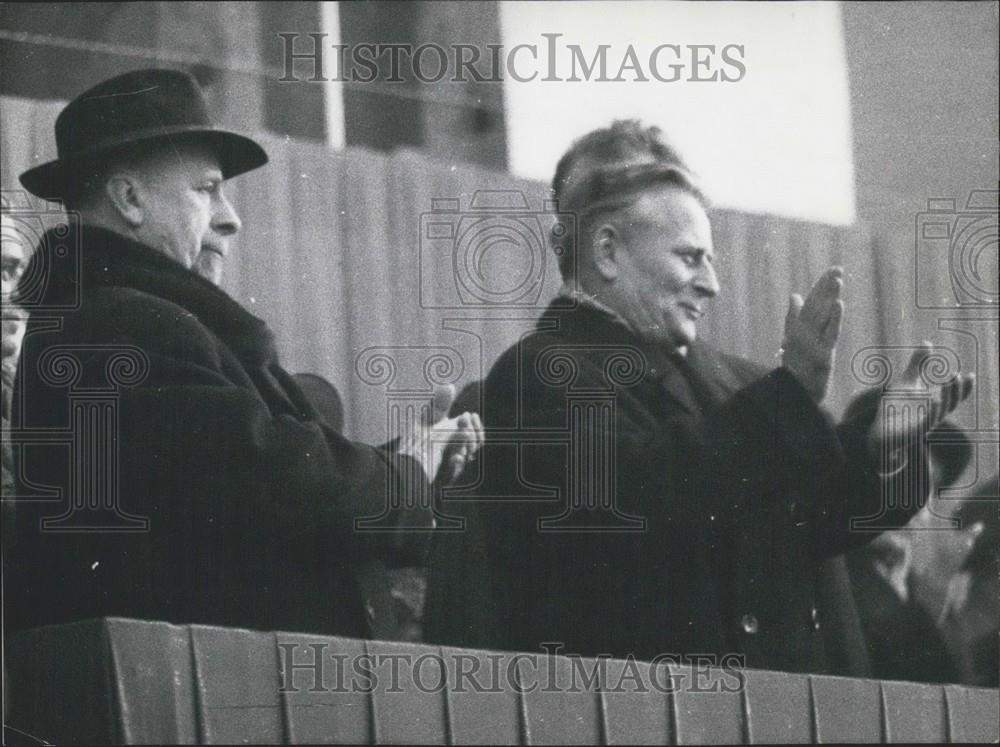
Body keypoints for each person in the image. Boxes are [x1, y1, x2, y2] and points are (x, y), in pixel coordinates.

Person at [424, 120, 974, 673]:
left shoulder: (736, 385)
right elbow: (645, 500)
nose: (711, 283)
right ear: (608, 251)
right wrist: (790, 402)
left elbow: (800, 524)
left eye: (710, 261)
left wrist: (877, 451)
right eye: (690, 258)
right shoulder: (538, 374)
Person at [6, 69, 482, 638]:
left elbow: (249, 467)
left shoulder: (115, 320)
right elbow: (274, 481)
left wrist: (408, 462)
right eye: (206, 189)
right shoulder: (124, 326)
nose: (231, 216)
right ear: (129, 198)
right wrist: (403, 477)